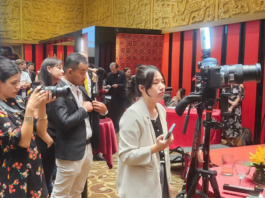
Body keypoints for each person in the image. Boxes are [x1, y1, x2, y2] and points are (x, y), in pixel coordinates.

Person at [50, 53, 107, 198]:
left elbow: (89, 112)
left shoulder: (80, 88)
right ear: (70, 71)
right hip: (70, 151)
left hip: (86, 147)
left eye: (86, 72)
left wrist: (103, 111)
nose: (85, 76)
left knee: (77, 191)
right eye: (82, 72)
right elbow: (64, 123)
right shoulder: (58, 91)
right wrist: (83, 110)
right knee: (61, 193)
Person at [0, 57, 54, 197]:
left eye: (19, 82)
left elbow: (41, 131)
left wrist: (42, 105)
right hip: (11, 173)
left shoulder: (17, 101)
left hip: (33, 166)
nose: (18, 87)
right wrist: (30, 109)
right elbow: (23, 142)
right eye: (13, 83)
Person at [117, 65, 173, 198]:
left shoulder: (161, 109)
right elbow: (125, 155)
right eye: (155, 83)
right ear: (141, 88)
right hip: (139, 183)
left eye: (162, 81)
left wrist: (168, 180)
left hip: (161, 174)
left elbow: (164, 154)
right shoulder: (132, 114)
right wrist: (155, 148)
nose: (161, 86)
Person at [38, 57, 64, 195]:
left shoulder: (56, 88)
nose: (62, 71)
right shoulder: (40, 89)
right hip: (44, 140)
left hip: (53, 138)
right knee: (45, 177)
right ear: (49, 69)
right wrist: (49, 140)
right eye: (59, 68)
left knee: (49, 177)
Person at [107, 62, 127, 132]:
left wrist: (118, 85)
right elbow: (108, 84)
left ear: (117, 68)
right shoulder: (109, 75)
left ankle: (122, 126)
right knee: (114, 112)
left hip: (122, 96)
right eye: (111, 70)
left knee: (121, 112)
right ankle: (116, 127)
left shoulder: (122, 74)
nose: (112, 71)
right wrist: (108, 87)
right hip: (114, 96)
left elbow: (124, 84)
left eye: (113, 69)